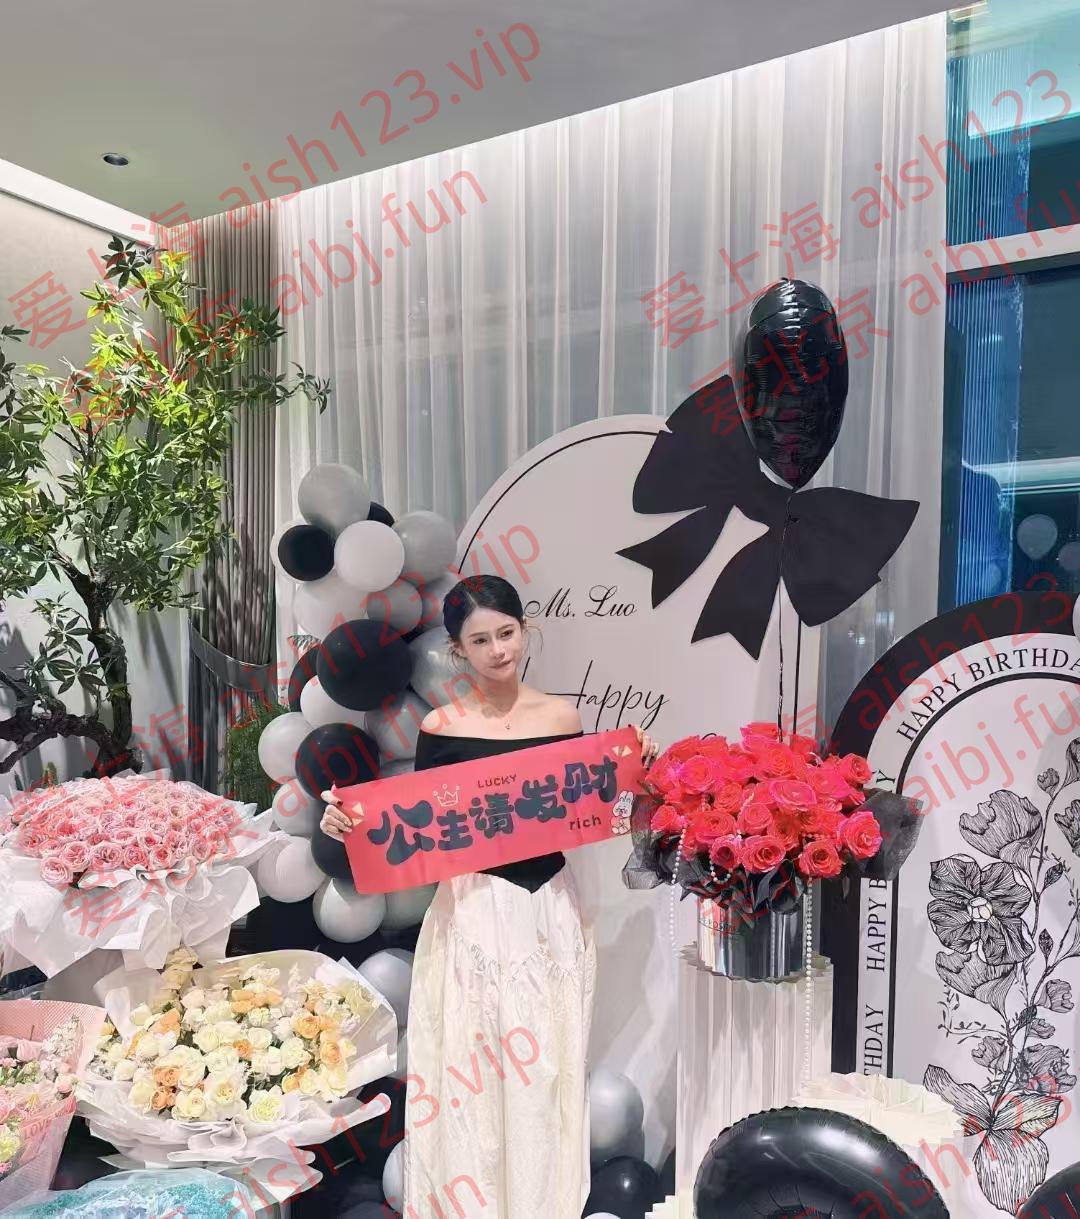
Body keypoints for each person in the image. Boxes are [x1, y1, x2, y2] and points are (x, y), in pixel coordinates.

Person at [321, 573, 657, 1219]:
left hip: (548, 908)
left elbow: (596, 807)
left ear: (526, 631)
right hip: (473, 908)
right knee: (470, 1067)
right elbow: (414, 826)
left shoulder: (562, 717)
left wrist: (638, 765)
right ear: (457, 650)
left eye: (507, 633)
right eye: (480, 640)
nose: (498, 650)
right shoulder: (442, 725)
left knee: (545, 1066)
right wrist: (349, 822)